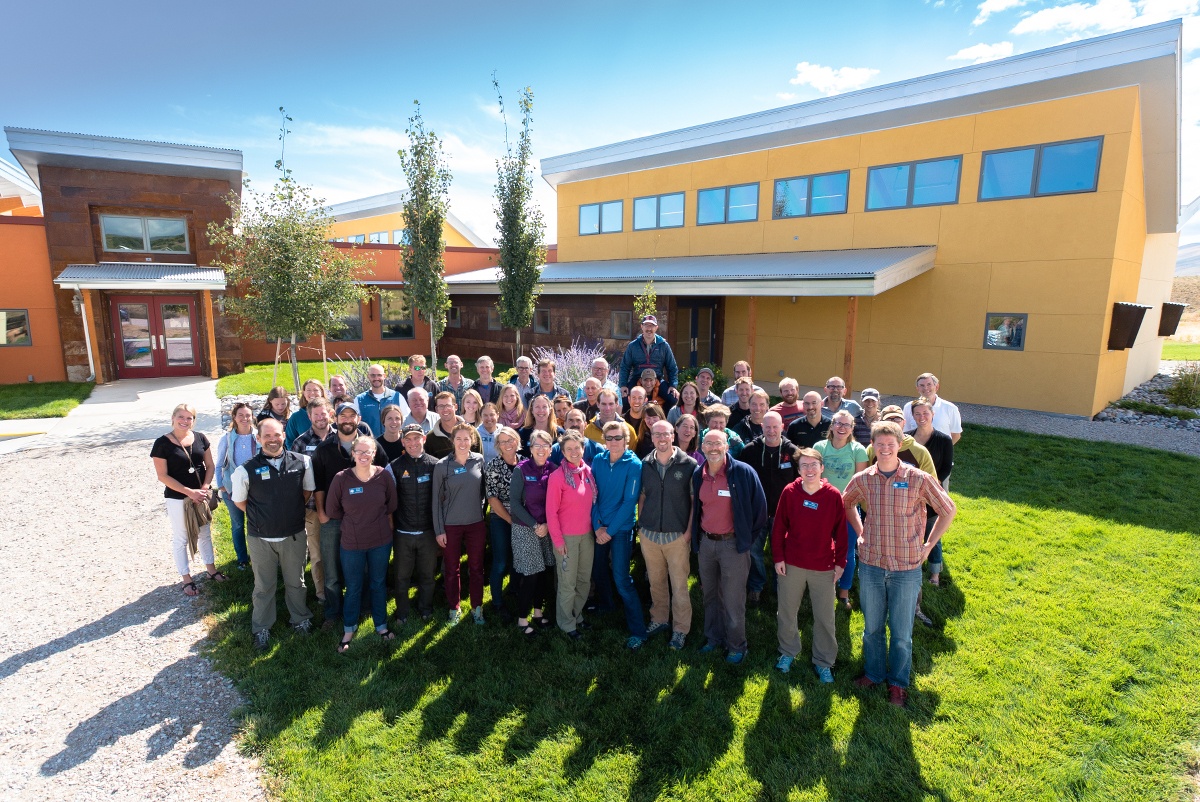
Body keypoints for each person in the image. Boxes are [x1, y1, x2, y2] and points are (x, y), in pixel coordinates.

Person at [843, 421, 957, 707]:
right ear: (873, 446)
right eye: (879, 445)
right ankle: (873, 673)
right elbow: (846, 504)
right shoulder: (864, 478)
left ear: (899, 445)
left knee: (902, 633)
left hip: (906, 567)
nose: (884, 449)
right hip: (871, 564)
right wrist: (860, 532)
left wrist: (929, 545)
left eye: (889, 444)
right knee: (872, 629)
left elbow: (947, 510)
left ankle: (898, 683)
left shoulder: (918, 478)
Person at [231, 417, 314, 650]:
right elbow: (240, 501)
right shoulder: (245, 470)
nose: (272, 440)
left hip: (293, 535)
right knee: (263, 585)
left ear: (284, 436)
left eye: (276, 435)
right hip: (261, 538)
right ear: (258, 439)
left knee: (296, 582)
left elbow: (307, 491)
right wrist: (265, 515)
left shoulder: (303, 462)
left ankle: (300, 619)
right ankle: (261, 627)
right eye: (266, 436)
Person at [772, 448, 848, 682]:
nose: (809, 469)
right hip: (792, 563)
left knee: (825, 616)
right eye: (804, 465)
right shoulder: (790, 492)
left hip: (823, 565)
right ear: (799, 470)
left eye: (814, 464)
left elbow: (841, 532)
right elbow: (779, 528)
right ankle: (787, 652)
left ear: (822, 468)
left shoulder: (833, 495)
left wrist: (840, 563)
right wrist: (778, 558)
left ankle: (824, 661)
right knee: (787, 611)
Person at [692, 429, 767, 664]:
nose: (713, 448)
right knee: (710, 595)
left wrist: (745, 539)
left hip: (733, 545)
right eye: (709, 443)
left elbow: (760, 511)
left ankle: (737, 646)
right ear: (702, 447)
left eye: (718, 443)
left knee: (733, 599)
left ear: (727, 446)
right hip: (706, 544)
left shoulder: (743, 473)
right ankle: (713, 638)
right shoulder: (698, 473)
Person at [325, 436, 397, 653]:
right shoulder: (341, 479)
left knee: (378, 583)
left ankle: (381, 625)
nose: (364, 455)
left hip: (380, 541)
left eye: (368, 452)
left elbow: (392, 504)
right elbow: (332, 510)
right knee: (354, 586)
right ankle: (349, 628)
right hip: (352, 543)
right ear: (353, 453)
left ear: (374, 453)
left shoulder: (383, 476)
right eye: (360, 451)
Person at [152, 403, 222, 597]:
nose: (185, 421)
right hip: (177, 499)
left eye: (189, 418)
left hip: (200, 496)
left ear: (194, 420)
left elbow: (210, 465)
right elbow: (163, 476)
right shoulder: (162, 444)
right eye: (181, 417)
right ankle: (186, 579)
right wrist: (189, 492)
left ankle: (211, 570)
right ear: (173, 419)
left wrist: (205, 488)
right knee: (181, 537)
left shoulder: (200, 438)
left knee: (204, 533)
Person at [638, 420, 697, 650]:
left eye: (666, 434)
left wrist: (688, 532)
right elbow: (642, 496)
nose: (662, 439)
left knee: (680, 585)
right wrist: (643, 526)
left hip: (677, 536)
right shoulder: (645, 464)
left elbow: (694, 502)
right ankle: (659, 619)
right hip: (650, 536)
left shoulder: (688, 464)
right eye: (657, 435)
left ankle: (681, 629)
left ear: (673, 436)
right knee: (656, 581)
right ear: (651, 438)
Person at [591, 421, 649, 649]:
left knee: (621, 578)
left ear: (626, 440)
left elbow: (629, 503)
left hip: (621, 529)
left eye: (618, 438)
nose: (614, 442)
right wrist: (597, 526)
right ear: (604, 440)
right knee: (598, 569)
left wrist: (609, 531)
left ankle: (638, 630)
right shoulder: (598, 460)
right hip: (599, 527)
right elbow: (592, 495)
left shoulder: (634, 464)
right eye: (610, 438)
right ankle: (607, 604)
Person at [736, 411, 798, 605]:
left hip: (783, 514)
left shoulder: (793, 452)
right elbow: (742, 481)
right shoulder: (749, 451)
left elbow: (800, 482)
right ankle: (756, 586)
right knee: (754, 552)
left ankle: (781, 587)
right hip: (756, 513)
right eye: (767, 427)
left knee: (781, 552)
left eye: (775, 427)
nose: (771, 431)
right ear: (761, 427)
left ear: (782, 427)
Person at [312, 403, 364, 628]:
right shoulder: (323, 449)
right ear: (335, 418)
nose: (347, 420)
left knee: (361, 567)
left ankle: (361, 607)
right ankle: (333, 612)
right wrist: (322, 514)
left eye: (351, 416)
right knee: (331, 568)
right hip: (332, 519)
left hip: (362, 519)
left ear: (358, 419)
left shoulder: (368, 447)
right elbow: (318, 485)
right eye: (343, 415)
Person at [814, 410, 870, 610]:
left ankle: (844, 591)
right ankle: (821, 587)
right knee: (821, 548)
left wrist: (845, 501)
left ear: (852, 428)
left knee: (846, 551)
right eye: (838, 423)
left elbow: (860, 481)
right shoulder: (820, 447)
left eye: (846, 425)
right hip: (823, 506)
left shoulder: (858, 450)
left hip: (848, 507)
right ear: (832, 425)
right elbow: (814, 477)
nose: (842, 428)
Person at [433, 424, 488, 624]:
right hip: (451, 526)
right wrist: (439, 530)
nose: (463, 443)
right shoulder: (442, 466)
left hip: (476, 524)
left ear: (472, 440)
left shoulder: (479, 460)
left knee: (476, 567)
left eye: (467, 439)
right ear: (452, 440)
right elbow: (436, 501)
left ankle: (477, 607)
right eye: (459, 439)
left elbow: (483, 491)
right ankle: (453, 608)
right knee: (451, 569)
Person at [546, 430, 597, 639]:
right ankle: (566, 623)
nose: (574, 452)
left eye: (578, 448)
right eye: (569, 449)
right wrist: (558, 541)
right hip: (566, 538)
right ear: (563, 453)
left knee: (584, 580)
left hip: (587, 536)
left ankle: (577, 615)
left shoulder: (588, 472)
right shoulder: (557, 477)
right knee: (568, 583)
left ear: (583, 448)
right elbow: (551, 512)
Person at [507, 429, 559, 636]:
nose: (540, 449)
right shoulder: (521, 470)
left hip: (546, 528)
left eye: (544, 445)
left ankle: (538, 613)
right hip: (525, 528)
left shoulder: (553, 469)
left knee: (544, 572)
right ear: (530, 448)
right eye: (536, 445)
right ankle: (522, 619)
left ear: (550, 449)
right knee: (531, 575)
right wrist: (535, 525)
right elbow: (514, 504)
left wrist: (545, 525)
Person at [389, 424, 439, 623]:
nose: (412, 443)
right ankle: (402, 612)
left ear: (424, 439)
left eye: (416, 438)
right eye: (408, 439)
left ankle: (425, 608)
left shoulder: (436, 465)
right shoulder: (394, 466)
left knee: (427, 574)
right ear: (402, 442)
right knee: (402, 576)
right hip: (403, 532)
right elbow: (388, 501)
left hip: (428, 532)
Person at [907, 396, 954, 587]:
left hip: (932, 494)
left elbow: (945, 468)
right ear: (913, 416)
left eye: (925, 413)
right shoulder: (907, 438)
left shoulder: (943, 440)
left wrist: (929, 488)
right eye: (917, 414)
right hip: (908, 495)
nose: (922, 417)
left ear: (933, 414)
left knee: (931, 532)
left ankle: (935, 573)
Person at [291, 398, 334, 604]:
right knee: (317, 554)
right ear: (309, 417)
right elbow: (294, 477)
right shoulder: (300, 442)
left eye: (323, 413)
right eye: (315, 414)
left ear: (330, 413)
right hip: (311, 508)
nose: (320, 418)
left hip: (340, 506)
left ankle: (342, 587)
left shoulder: (342, 437)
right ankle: (322, 594)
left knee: (343, 549)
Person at [483, 425, 522, 622]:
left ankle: (515, 590)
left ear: (517, 441)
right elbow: (492, 499)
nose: (507, 444)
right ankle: (497, 601)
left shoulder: (525, 463)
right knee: (500, 562)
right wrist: (510, 520)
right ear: (498, 445)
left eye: (510, 440)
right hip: (501, 517)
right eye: (503, 441)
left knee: (518, 558)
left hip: (523, 518)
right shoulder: (492, 466)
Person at [216, 402, 258, 570]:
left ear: (252, 417)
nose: (244, 418)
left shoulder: (258, 436)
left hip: (255, 489)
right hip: (231, 488)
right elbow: (219, 464)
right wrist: (222, 486)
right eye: (240, 415)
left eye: (247, 415)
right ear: (234, 417)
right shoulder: (227, 438)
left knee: (256, 524)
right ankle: (242, 558)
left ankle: (258, 556)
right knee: (238, 525)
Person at [619, 314, 678, 399]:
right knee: (623, 399)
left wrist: (673, 385)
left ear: (656, 327)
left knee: (673, 399)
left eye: (652, 325)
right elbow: (625, 367)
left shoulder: (663, 345)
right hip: (637, 379)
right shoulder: (633, 346)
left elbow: (672, 367)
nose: (649, 329)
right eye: (646, 325)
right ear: (642, 326)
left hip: (657, 380)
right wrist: (623, 385)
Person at [870, 406, 937, 476]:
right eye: (888, 419)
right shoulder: (872, 449)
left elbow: (931, 480)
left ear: (904, 422)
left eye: (897, 419)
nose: (894, 423)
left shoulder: (920, 451)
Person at [902, 373, 963, 444]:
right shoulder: (908, 407)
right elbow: (905, 433)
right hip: (915, 453)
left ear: (936, 387)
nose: (925, 388)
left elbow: (956, 435)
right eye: (922, 385)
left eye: (929, 384)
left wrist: (944, 450)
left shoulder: (950, 408)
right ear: (917, 389)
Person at [356, 364, 405, 438]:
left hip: (393, 443)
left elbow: (406, 420)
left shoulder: (397, 397)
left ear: (384, 376)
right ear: (368, 376)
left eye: (379, 375)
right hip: (369, 446)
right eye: (373, 375)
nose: (376, 378)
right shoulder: (359, 399)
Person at [284, 379, 327, 448]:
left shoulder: (331, 414)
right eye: (308, 390)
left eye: (316, 390)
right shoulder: (296, 417)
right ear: (304, 393)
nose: (312, 393)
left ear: (321, 392)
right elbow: (289, 441)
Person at [426, 391, 465, 460]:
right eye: (441, 406)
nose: (445, 409)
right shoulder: (430, 438)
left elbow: (478, 463)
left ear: (455, 407)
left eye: (448, 405)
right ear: (436, 409)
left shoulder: (471, 432)